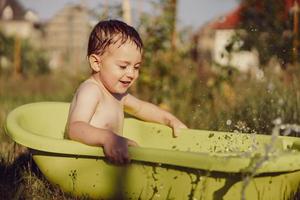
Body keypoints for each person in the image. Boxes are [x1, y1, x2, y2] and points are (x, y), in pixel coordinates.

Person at [65, 19, 187, 165]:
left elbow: (142, 108)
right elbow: (75, 127)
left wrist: (169, 120)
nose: (131, 74)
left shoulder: (119, 96)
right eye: (123, 66)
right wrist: (108, 138)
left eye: (136, 67)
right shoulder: (91, 90)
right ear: (96, 63)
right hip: (82, 163)